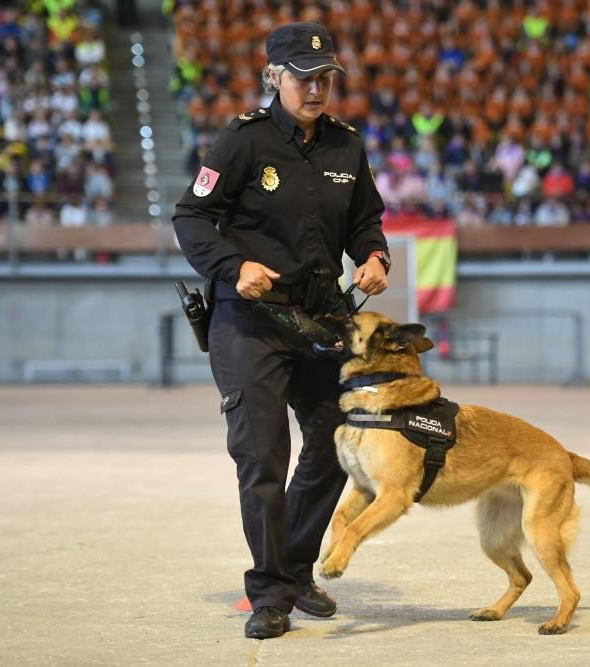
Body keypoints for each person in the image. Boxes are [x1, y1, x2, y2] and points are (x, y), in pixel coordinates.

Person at [171, 22, 390, 640]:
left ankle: (293, 571)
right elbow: (191, 216)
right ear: (274, 76)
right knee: (263, 455)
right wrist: (234, 267)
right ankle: (270, 592)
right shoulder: (241, 142)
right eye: (303, 77)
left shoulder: (347, 145)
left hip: (320, 319)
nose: (316, 89)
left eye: (325, 78)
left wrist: (374, 257)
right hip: (249, 323)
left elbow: (366, 221)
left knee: (336, 440)